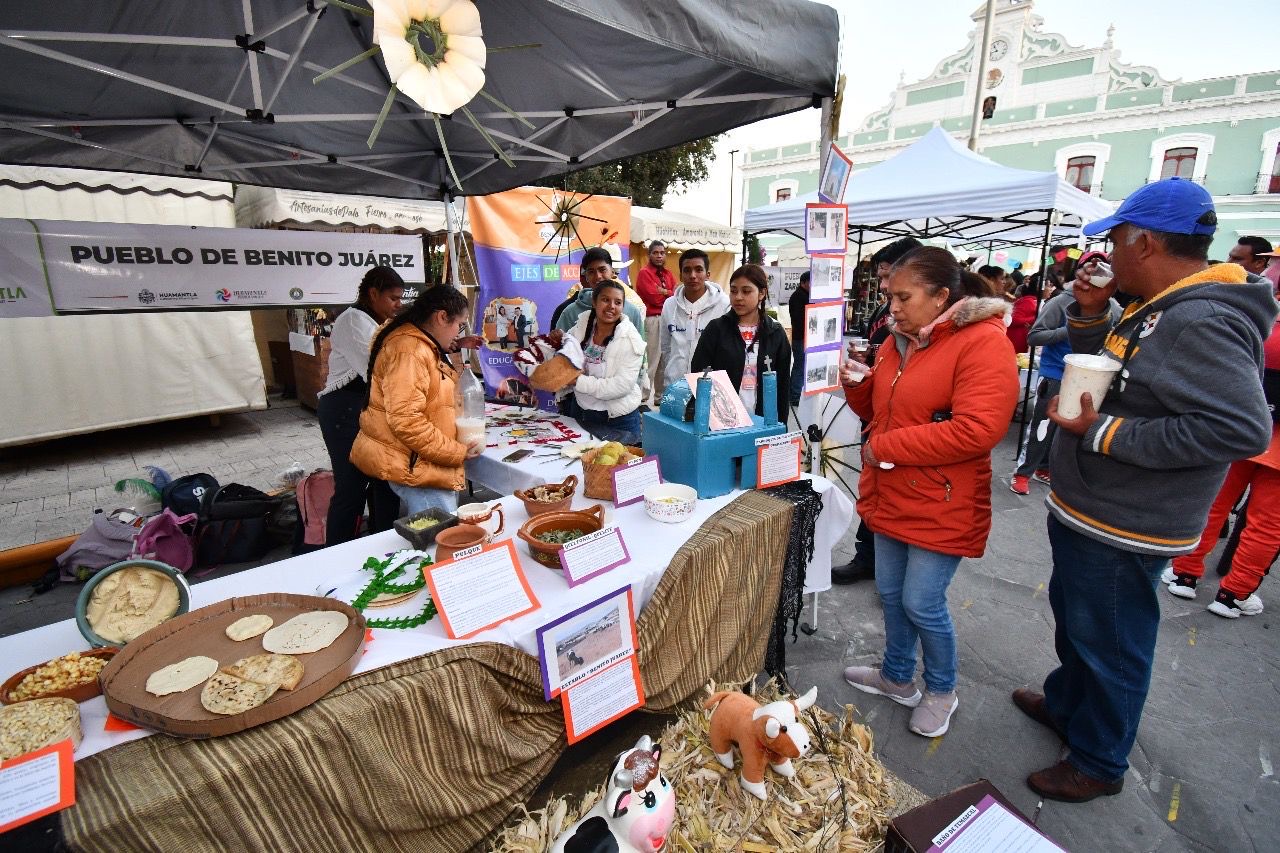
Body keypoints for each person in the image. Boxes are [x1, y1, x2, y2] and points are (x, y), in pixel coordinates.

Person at [1017, 177, 1275, 803]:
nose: (1108, 251)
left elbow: (1239, 427)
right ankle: (1068, 705)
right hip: (1096, 510)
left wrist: (1102, 434)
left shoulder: (1201, 318)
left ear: (1147, 240)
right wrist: (1086, 314)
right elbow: (1115, 374)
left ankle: (1099, 761)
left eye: (1115, 239)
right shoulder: (1157, 305)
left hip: (1129, 520)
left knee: (1112, 642)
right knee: (1080, 625)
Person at [840, 247, 1018, 738]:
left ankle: (942, 688)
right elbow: (883, 410)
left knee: (922, 602)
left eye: (903, 297)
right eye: (889, 296)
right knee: (892, 594)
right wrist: (859, 386)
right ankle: (897, 677)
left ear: (942, 296)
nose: (892, 306)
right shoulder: (897, 340)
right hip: (895, 491)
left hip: (943, 499)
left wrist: (885, 446)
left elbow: (978, 429)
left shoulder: (982, 343)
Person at [1161, 311, 1280, 617]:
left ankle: (1185, 573)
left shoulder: (1265, 321)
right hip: (1262, 438)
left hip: (1242, 426)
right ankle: (1233, 595)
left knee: (1214, 503)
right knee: (1266, 525)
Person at [350, 285, 484, 516]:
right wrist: (456, 451)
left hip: (422, 462)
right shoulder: (410, 350)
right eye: (458, 326)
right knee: (438, 540)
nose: (457, 334)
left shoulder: (419, 341)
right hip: (419, 469)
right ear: (442, 317)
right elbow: (407, 421)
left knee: (438, 534)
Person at [834, 236, 922, 586]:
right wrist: (863, 372)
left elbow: (976, 428)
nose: (883, 286)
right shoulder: (889, 313)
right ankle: (871, 559)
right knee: (874, 492)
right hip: (877, 416)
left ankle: (892, 571)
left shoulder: (950, 336)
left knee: (920, 600)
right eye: (883, 280)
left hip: (903, 438)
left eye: (889, 278)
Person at [1010, 251, 1120, 496]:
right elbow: (1035, 336)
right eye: (1091, 266)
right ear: (1080, 271)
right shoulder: (1061, 301)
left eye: (1102, 267)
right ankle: (1023, 472)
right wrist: (1073, 329)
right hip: (1055, 373)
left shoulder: (1112, 305)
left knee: (1069, 428)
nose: (1096, 272)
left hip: (1091, 377)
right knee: (1043, 424)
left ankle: (1045, 467)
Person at [316, 266, 404, 545]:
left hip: (370, 408)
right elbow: (378, 370)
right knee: (351, 488)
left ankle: (382, 545)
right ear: (373, 293)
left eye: (400, 298)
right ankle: (336, 554)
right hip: (344, 410)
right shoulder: (353, 321)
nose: (398, 304)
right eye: (393, 298)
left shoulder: (380, 322)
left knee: (384, 483)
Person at [691, 264, 791, 424]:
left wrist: (780, 428)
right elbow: (699, 373)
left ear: (762, 293)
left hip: (763, 420)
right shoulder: (716, 329)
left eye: (746, 291)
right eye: (733, 290)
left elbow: (783, 386)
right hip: (722, 421)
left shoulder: (775, 333)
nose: (738, 297)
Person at [563, 279, 646, 445]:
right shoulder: (580, 328)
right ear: (594, 302)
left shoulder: (631, 339)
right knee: (582, 465)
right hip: (582, 413)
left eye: (618, 302)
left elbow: (621, 386)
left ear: (623, 306)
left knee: (618, 468)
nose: (611, 307)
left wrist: (578, 382)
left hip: (619, 420)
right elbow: (564, 358)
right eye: (605, 300)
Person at [659, 248, 729, 390]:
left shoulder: (724, 305)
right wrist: (672, 373)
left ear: (707, 274)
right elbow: (666, 347)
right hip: (675, 385)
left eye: (698, 270)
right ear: (680, 275)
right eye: (687, 270)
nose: (693, 275)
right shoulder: (669, 305)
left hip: (708, 386)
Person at [555, 247, 646, 341]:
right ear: (586, 276)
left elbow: (640, 351)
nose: (598, 276)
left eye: (602, 270)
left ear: (612, 272)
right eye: (591, 272)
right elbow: (560, 348)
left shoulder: (632, 311)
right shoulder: (570, 313)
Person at [636, 240, 676, 401]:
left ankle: (660, 397)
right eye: (656, 253)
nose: (659, 256)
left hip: (667, 319)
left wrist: (664, 292)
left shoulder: (668, 274)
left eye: (662, 253)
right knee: (651, 360)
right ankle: (642, 397)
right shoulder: (644, 273)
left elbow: (676, 295)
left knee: (665, 361)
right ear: (649, 255)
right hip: (652, 320)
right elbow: (653, 298)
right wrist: (667, 293)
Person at [787, 270, 810, 406]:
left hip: (804, 337)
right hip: (800, 337)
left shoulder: (805, 295)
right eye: (810, 282)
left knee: (801, 366)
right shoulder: (798, 297)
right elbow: (798, 319)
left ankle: (795, 394)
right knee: (800, 366)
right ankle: (794, 395)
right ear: (803, 283)